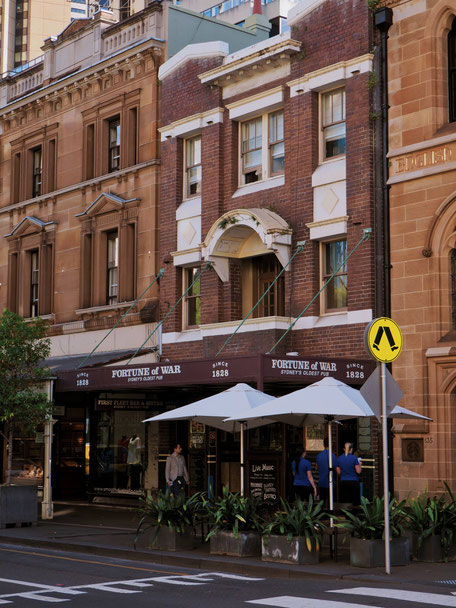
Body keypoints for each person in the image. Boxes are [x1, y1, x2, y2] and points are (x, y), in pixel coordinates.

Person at [316, 437, 336, 508]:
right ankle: (330, 515)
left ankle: (321, 516)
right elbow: (335, 467)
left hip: (321, 481)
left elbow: (317, 467)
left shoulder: (319, 456)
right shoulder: (333, 456)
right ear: (331, 444)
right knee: (330, 501)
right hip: (330, 481)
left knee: (322, 501)